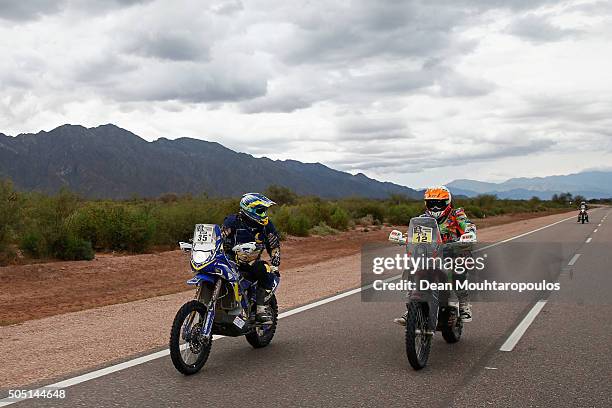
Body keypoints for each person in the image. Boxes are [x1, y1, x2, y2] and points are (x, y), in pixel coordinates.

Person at [394, 186, 477, 325]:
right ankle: (411, 309)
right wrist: (403, 238)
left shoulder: (457, 214)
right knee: (411, 270)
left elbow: (468, 225)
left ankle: (464, 305)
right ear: (427, 203)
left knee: (458, 271)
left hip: (453, 251)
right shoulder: (422, 219)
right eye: (432, 203)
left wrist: (469, 233)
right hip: (430, 253)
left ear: (448, 202)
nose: (436, 207)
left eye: (440, 203)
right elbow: (413, 234)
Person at [221, 193, 281, 324]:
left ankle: (261, 309)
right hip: (230, 260)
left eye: (264, 210)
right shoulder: (232, 221)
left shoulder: (266, 225)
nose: (264, 213)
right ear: (248, 209)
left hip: (251, 263)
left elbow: (273, 243)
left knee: (264, 268)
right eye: (260, 210)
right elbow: (220, 235)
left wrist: (275, 257)